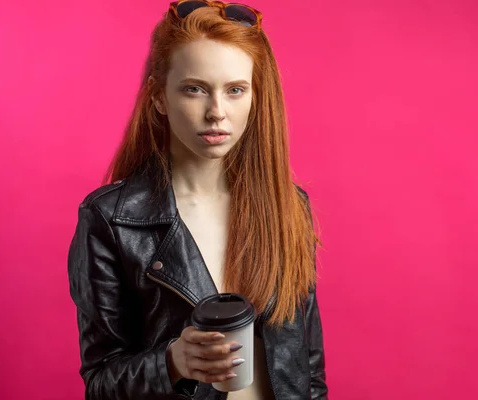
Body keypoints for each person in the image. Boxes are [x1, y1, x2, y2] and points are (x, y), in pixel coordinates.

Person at [67, 1, 327, 399]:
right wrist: (173, 363)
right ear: (158, 98)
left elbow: (309, 372)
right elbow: (101, 384)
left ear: (255, 98)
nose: (217, 112)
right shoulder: (111, 219)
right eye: (194, 89)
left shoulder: (289, 206)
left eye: (235, 90)